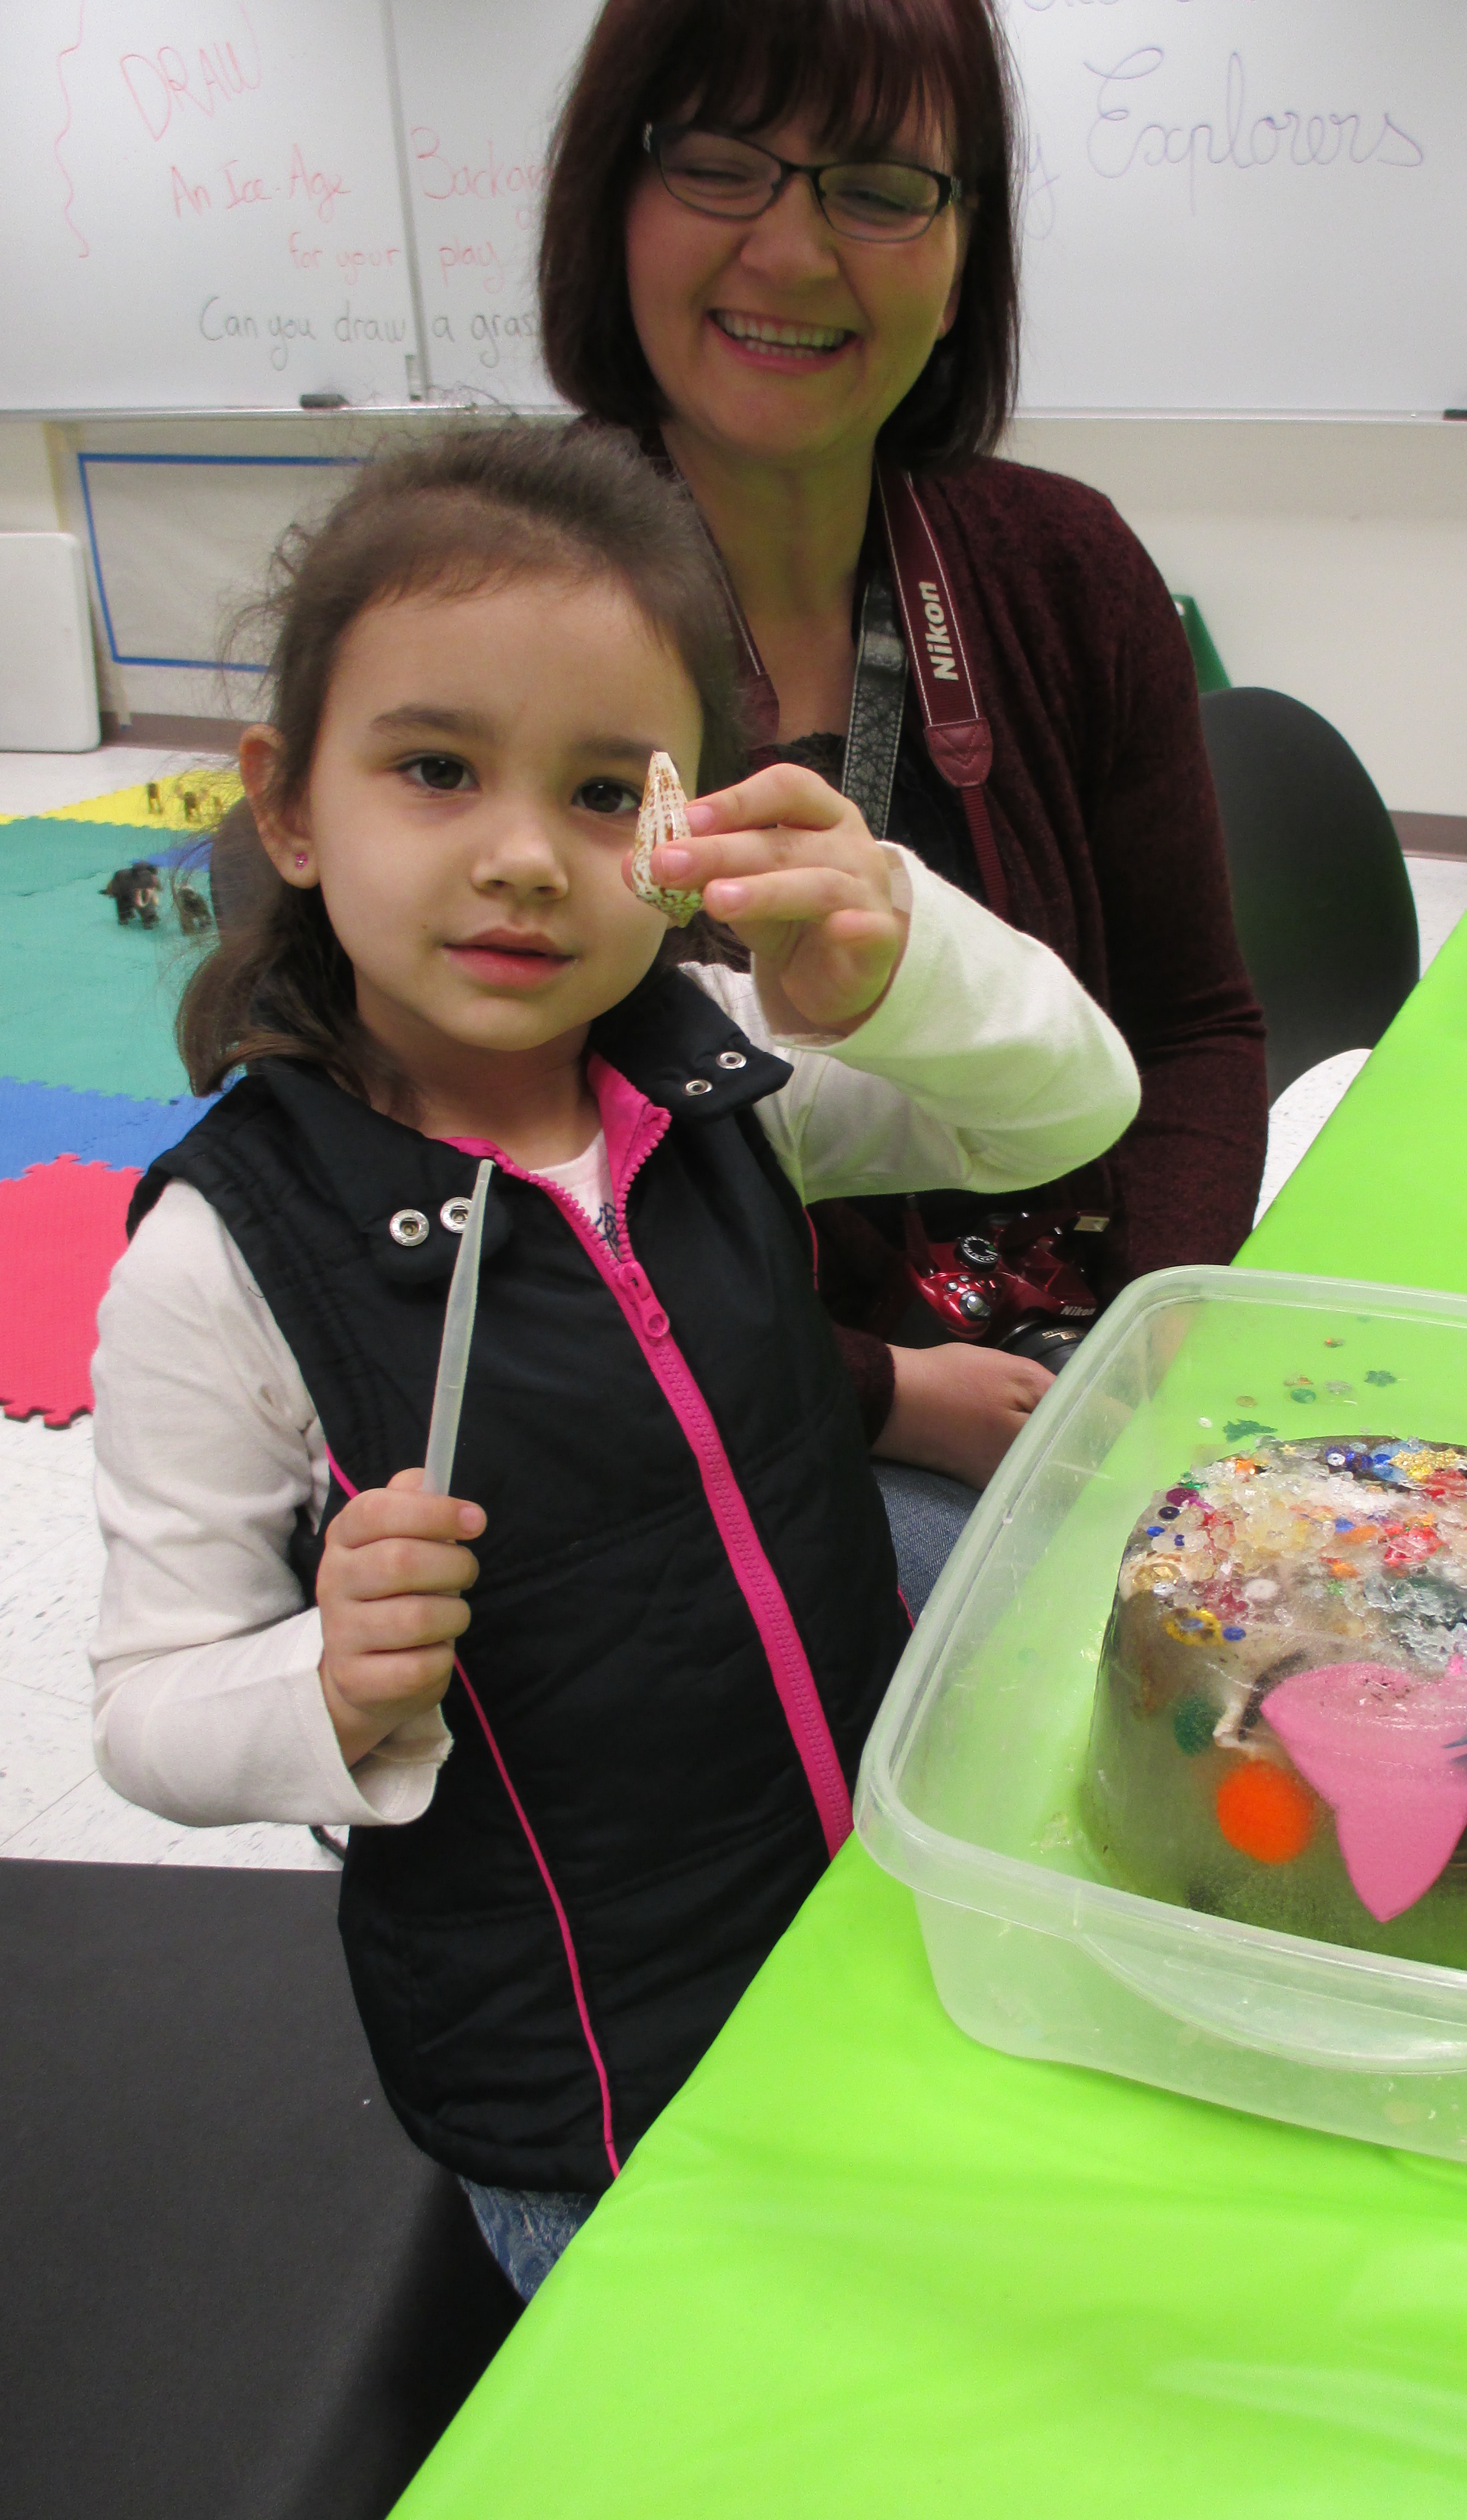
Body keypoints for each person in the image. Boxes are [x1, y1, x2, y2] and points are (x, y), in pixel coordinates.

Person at [88, 424, 1138, 2299]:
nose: (517, 860)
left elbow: (1076, 1102)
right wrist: (320, 1685)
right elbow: (149, 1708)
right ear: (292, 806)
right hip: (589, 2094)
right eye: (434, 768)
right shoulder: (219, 1263)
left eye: (598, 794)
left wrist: (893, 963)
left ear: (685, 830)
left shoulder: (726, 1061)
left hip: (859, 1924)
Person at [538, 0, 1268, 1601]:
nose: (793, 255)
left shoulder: (1062, 567)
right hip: (734, 1394)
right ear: (615, 196)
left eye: (878, 186)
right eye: (721, 165)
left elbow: (1196, 1022)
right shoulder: (515, 604)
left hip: (1077, 1342)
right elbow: (470, 1163)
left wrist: (1148, 1330)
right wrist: (875, 1388)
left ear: (965, 250)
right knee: (1047, 1678)